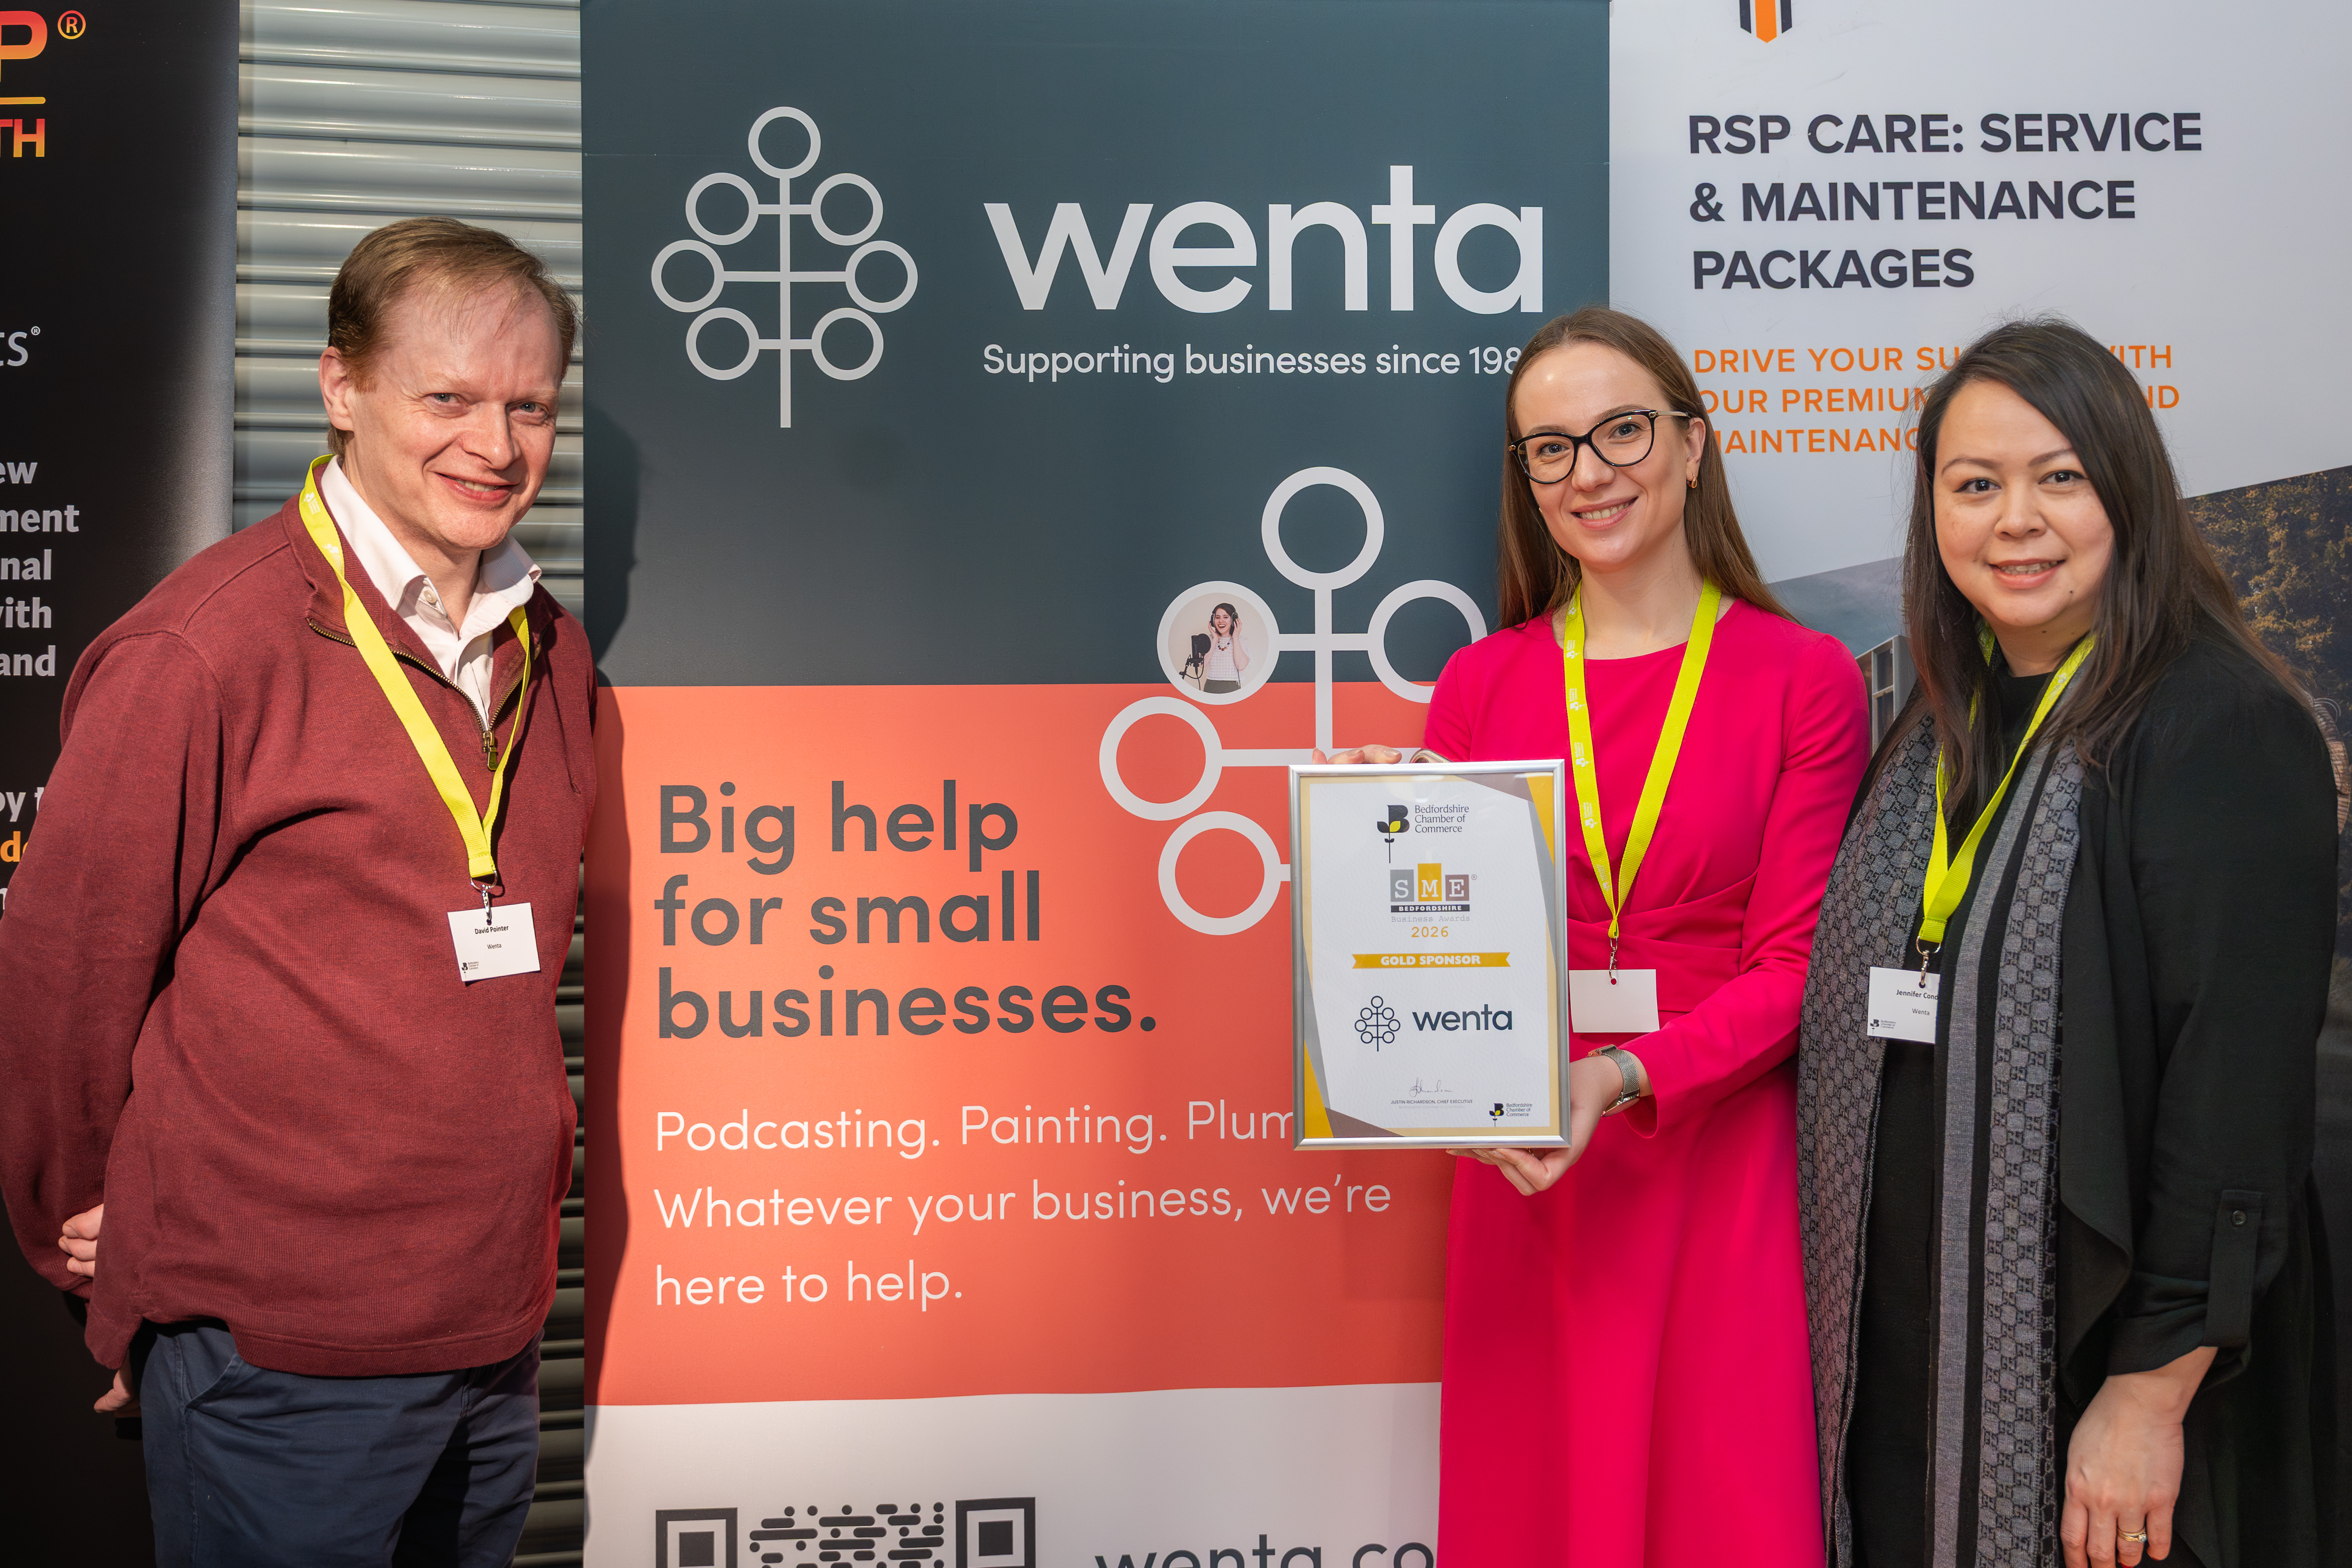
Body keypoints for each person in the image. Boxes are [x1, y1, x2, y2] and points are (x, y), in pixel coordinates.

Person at [0, 216, 596, 1565]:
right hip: (276, 1355)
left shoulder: (550, 653)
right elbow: (65, 978)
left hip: (493, 1330)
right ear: (342, 387)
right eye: (446, 398)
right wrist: (103, 1263)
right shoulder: (204, 652)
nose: (494, 447)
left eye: (528, 407)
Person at [1330, 305, 1867, 1566]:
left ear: (1691, 444)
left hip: (1712, 1150)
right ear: (1527, 481)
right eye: (1551, 449)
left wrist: (1622, 1074)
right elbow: (1433, 940)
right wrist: (1376, 832)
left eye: (1621, 430)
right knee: (1536, 1506)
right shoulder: (1484, 681)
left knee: (1720, 1503)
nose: (1591, 472)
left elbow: (1797, 970)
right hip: (1525, 1154)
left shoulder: (1806, 676)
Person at [1797, 318, 2337, 1568]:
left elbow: (2239, 1097)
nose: (2016, 520)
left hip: (2118, 1362)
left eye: (2060, 477)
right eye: (1975, 484)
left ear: (2127, 489)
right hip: (1915, 1347)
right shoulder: (1942, 718)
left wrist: (2152, 1390)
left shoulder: (2222, 724)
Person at [1201, 601, 1249, 692]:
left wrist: (1235, 637)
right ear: (1213, 620)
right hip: (1210, 686)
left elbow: (1241, 666)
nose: (1220, 621)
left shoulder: (1242, 640)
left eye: (1226, 617)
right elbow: (1202, 664)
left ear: (1233, 620)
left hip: (1232, 687)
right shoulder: (1209, 639)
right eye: (1217, 617)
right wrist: (1215, 639)